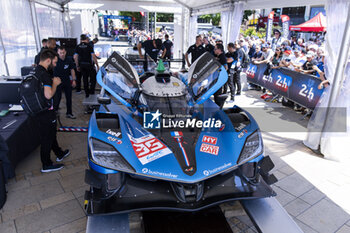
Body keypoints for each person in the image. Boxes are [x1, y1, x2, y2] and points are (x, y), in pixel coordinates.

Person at [31, 49, 70, 172]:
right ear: (48, 60)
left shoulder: (36, 71)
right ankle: (46, 164)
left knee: (51, 134)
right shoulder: (44, 75)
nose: (55, 65)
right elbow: (48, 95)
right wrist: (55, 83)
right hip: (46, 112)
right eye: (54, 62)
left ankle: (59, 153)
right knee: (47, 138)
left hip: (39, 110)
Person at [53, 46, 77, 119]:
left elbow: (72, 70)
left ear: (65, 52)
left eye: (63, 53)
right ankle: (55, 111)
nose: (62, 54)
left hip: (66, 80)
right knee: (57, 97)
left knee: (69, 97)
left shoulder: (69, 59)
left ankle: (69, 113)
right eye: (60, 53)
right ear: (58, 53)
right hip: (57, 81)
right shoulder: (55, 60)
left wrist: (73, 80)